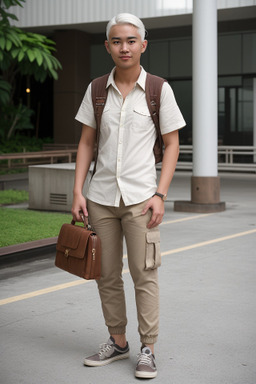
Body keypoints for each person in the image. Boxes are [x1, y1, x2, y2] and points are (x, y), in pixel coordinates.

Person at [72, 13, 185, 379]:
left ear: (143, 45)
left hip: (141, 199)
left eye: (131, 41)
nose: (124, 47)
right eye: (117, 41)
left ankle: (147, 348)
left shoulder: (158, 89)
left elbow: (172, 144)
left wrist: (160, 194)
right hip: (101, 197)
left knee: (144, 274)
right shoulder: (96, 90)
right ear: (107, 46)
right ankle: (118, 342)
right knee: (106, 275)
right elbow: (87, 141)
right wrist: (78, 190)